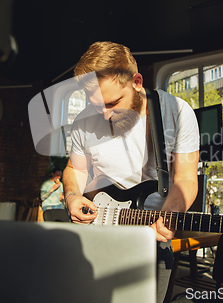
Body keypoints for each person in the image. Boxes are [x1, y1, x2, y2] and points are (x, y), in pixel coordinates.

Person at [62, 41, 200, 303]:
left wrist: (170, 213)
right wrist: (72, 196)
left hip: (151, 237)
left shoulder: (177, 112)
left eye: (113, 103)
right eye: (96, 106)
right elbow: (74, 168)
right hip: (97, 235)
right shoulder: (83, 121)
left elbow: (185, 178)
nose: (104, 115)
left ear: (136, 81)